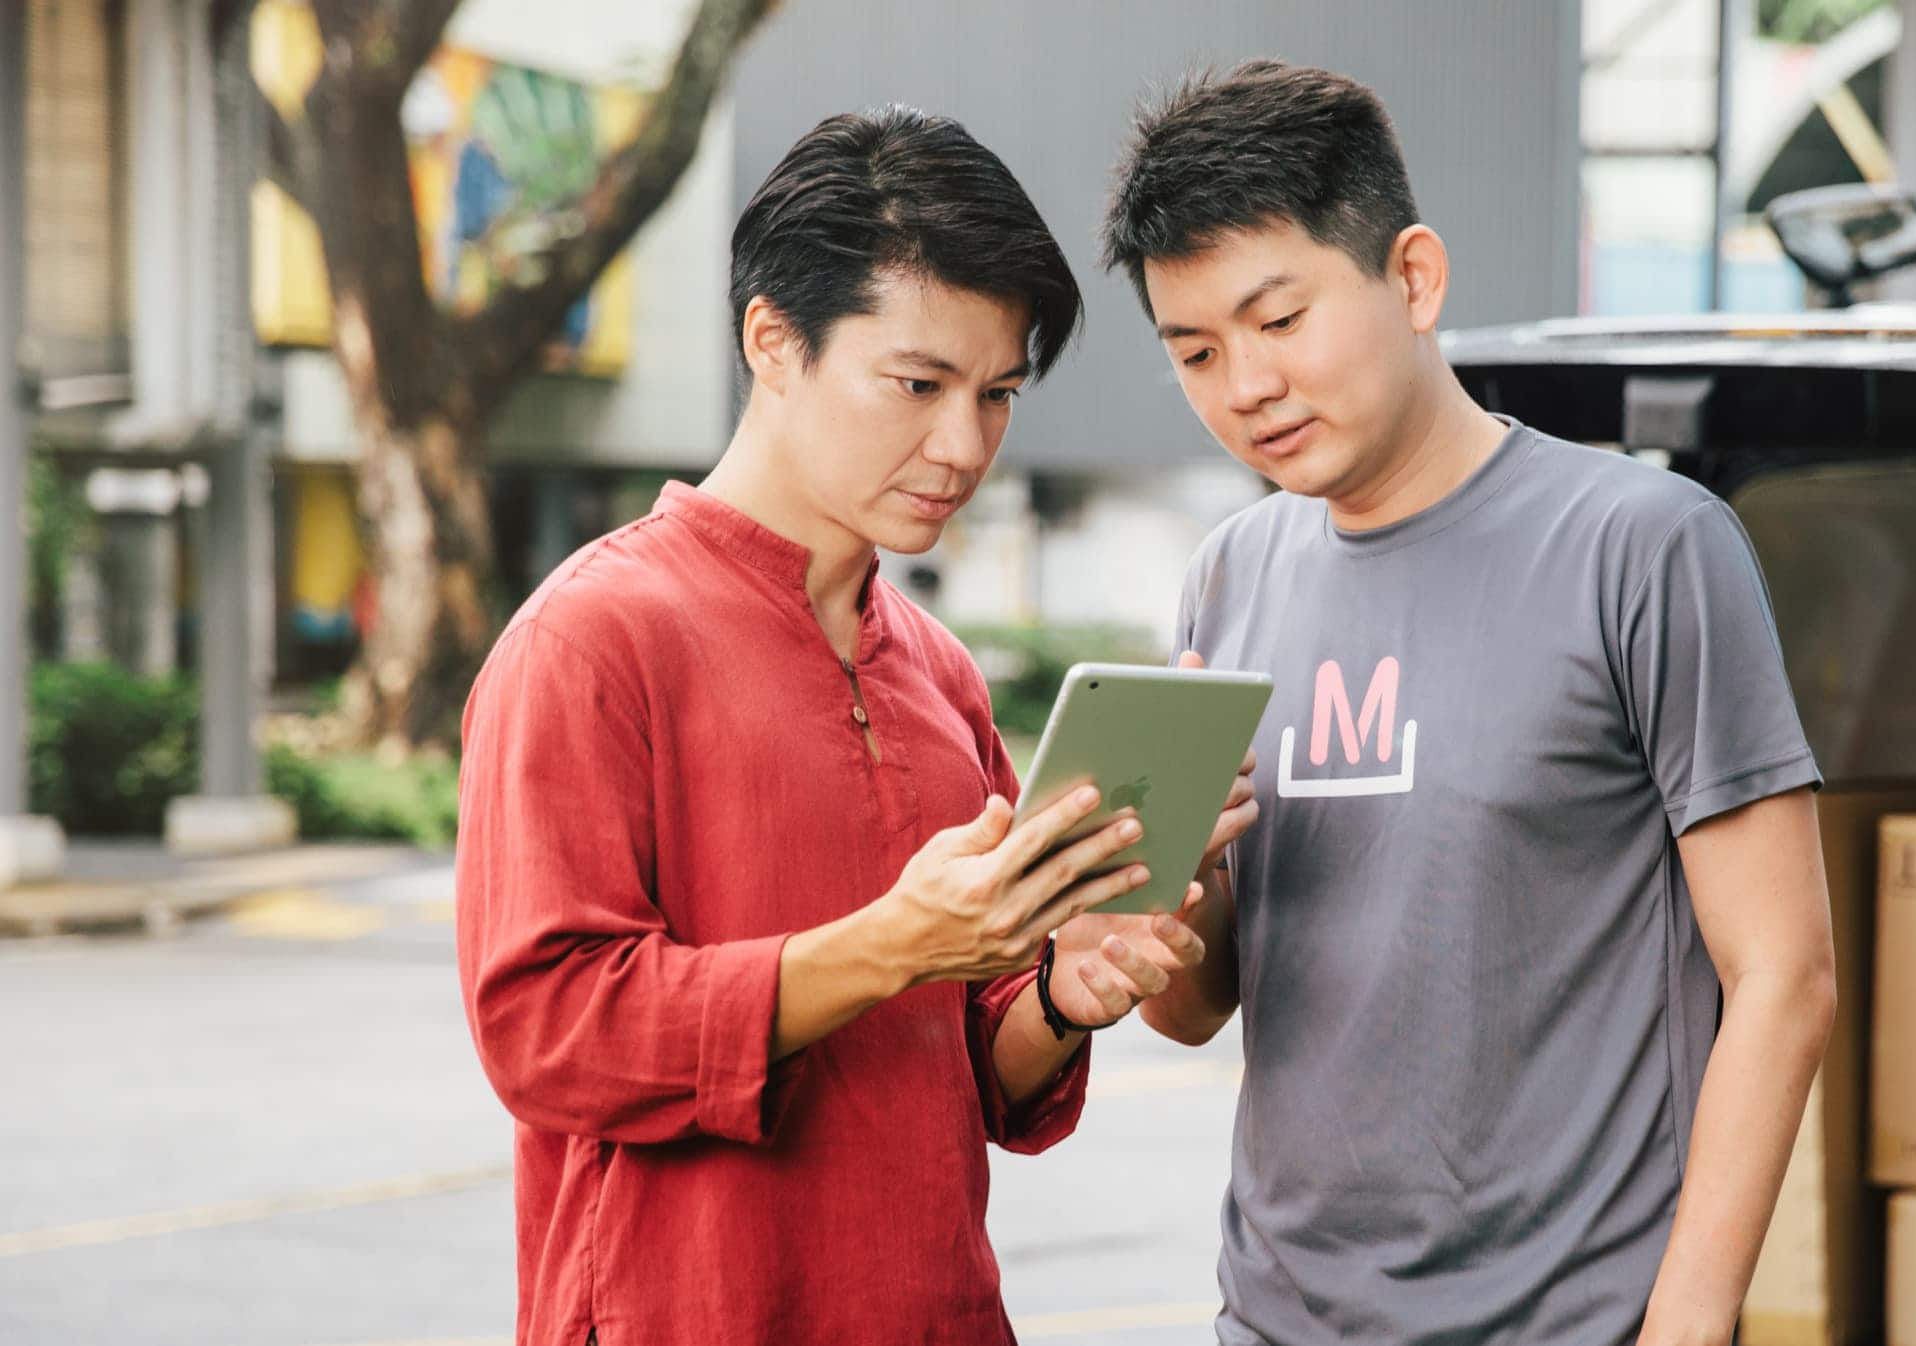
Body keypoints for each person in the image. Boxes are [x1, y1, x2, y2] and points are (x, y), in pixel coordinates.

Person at [455, 106, 1246, 1346]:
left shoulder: (935, 667)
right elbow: (545, 1032)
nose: (962, 444)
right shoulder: (591, 637)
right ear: (773, 340)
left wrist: (1062, 993)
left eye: (996, 394)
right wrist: (888, 943)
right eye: (918, 384)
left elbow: (971, 1066)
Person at [1100, 61, 1838, 1346]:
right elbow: (1196, 1000)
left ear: (1414, 278)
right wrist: (1150, 900)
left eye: (1279, 319)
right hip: (1274, 1320)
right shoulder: (1231, 576)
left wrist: (1691, 1318)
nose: (1246, 386)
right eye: (1197, 351)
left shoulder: (1645, 546)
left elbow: (1784, 973)